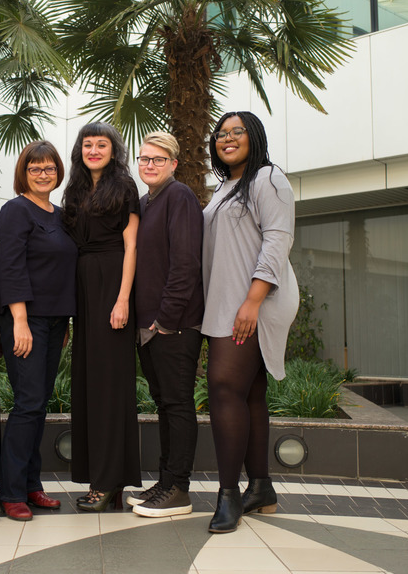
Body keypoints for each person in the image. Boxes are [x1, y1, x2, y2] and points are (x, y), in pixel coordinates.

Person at [201, 111, 298, 533]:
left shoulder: (268, 178)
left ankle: (228, 496)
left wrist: (252, 301)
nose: (227, 138)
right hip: (228, 300)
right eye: (221, 133)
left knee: (223, 387)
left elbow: (279, 237)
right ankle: (260, 488)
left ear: (254, 136)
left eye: (237, 131)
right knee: (248, 394)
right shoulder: (227, 186)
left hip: (254, 300)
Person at [0, 141, 77, 521]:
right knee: (28, 403)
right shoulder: (15, 211)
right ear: (23, 174)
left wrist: (66, 321)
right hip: (23, 320)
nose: (43, 174)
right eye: (35, 169)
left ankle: (31, 485)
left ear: (59, 171)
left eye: (49, 168)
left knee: (39, 403)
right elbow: (10, 268)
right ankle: (11, 491)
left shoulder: (62, 215)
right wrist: (20, 322)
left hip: (55, 321)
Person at [62, 122, 141, 512]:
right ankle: (101, 478)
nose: (94, 150)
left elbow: (131, 247)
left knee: (110, 387)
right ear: (80, 150)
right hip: (82, 288)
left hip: (112, 284)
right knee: (90, 385)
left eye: (102, 144)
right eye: (88, 144)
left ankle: (109, 482)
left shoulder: (124, 186)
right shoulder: (74, 190)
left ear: (114, 150)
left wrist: (123, 298)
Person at [128, 132, 204, 518]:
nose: (150, 165)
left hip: (174, 326)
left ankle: (179, 489)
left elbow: (185, 264)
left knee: (177, 405)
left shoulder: (180, 197)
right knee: (164, 405)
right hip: (149, 328)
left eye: (158, 159)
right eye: (144, 159)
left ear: (174, 163)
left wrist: (166, 321)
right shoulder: (144, 203)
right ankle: (165, 481)